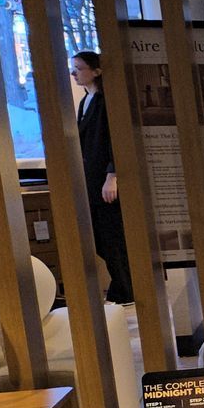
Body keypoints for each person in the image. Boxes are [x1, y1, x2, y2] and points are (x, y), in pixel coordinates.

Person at [70, 50, 133, 304]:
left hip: (106, 181)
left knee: (112, 237)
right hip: (91, 181)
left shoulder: (106, 101)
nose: (74, 73)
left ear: (96, 70)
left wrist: (112, 175)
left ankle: (126, 289)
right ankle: (123, 286)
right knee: (100, 237)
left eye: (79, 68)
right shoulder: (86, 101)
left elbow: (116, 140)